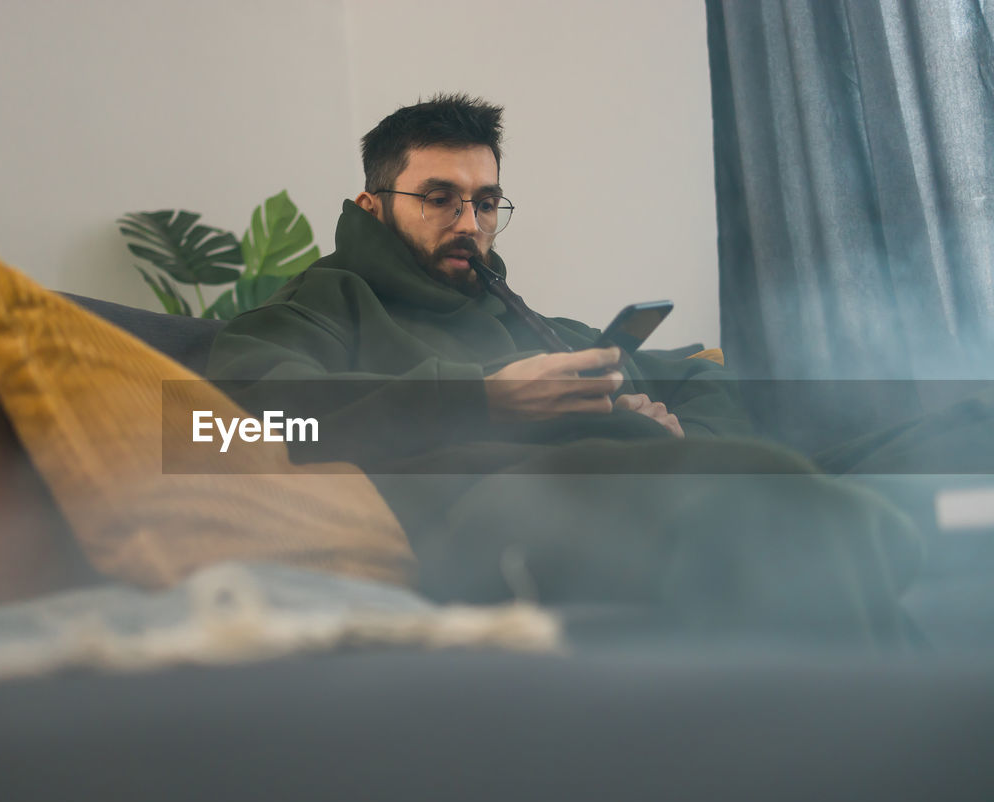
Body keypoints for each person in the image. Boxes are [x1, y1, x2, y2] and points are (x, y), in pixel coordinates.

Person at [206, 93, 923, 647]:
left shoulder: (524, 318)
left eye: (485, 202)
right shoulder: (328, 302)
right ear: (372, 205)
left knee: (953, 438)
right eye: (438, 198)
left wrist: (679, 431)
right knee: (771, 497)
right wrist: (483, 402)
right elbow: (234, 420)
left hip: (617, 481)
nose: (468, 222)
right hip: (477, 513)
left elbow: (695, 378)